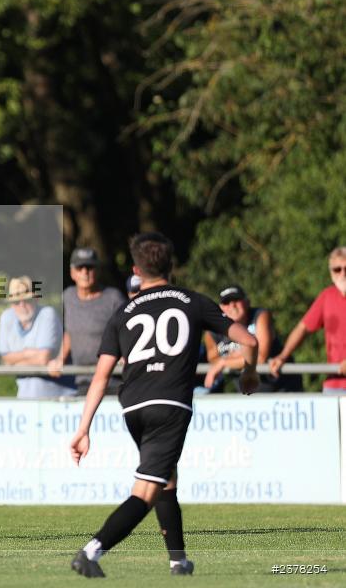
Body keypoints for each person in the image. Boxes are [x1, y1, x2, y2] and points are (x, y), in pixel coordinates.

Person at [69, 232, 258, 578]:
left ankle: (178, 562)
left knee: (165, 478)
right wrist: (249, 373)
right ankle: (91, 552)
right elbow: (249, 339)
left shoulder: (123, 312)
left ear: (136, 270)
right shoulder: (193, 301)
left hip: (132, 408)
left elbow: (100, 378)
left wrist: (83, 428)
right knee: (145, 491)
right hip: (169, 405)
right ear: (171, 266)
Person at [48, 248, 126, 395]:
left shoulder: (114, 297)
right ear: (72, 273)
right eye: (80, 267)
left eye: (90, 267)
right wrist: (60, 358)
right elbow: (69, 332)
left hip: (113, 381)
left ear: (98, 270)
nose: (85, 272)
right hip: (83, 381)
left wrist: (125, 354)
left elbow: (129, 332)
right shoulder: (67, 297)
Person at [270, 247, 346, 393]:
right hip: (334, 385)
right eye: (337, 269)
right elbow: (302, 328)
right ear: (331, 273)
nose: (343, 273)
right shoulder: (327, 296)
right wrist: (283, 356)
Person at [203, 284, 302, 392]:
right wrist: (241, 356)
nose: (232, 305)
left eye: (236, 300)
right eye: (226, 302)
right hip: (249, 395)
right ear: (221, 307)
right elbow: (213, 359)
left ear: (247, 302)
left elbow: (260, 357)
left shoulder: (260, 316)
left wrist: (225, 362)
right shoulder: (212, 331)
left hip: (282, 390)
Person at [0, 275, 75, 398]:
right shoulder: (6, 317)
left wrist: (14, 363)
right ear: (11, 304)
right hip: (26, 396)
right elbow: (5, 359)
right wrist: (28, 353)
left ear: (36, 299)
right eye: (16, 302)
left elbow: (43, 359)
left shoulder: (47, 314)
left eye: (27, 300)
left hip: (61, 397)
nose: (22, 305)